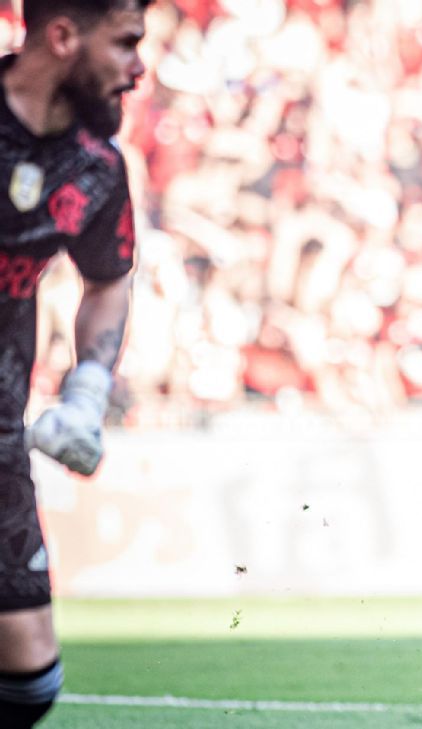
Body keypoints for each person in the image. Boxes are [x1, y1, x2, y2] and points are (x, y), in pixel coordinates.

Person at [0, 0, 148, 724]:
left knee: (29, 684)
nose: (138, 68)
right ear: (61, 37)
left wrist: (88, 387)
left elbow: (109, 277)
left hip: (1, 435)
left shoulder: (95, 167)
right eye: (124, 45)